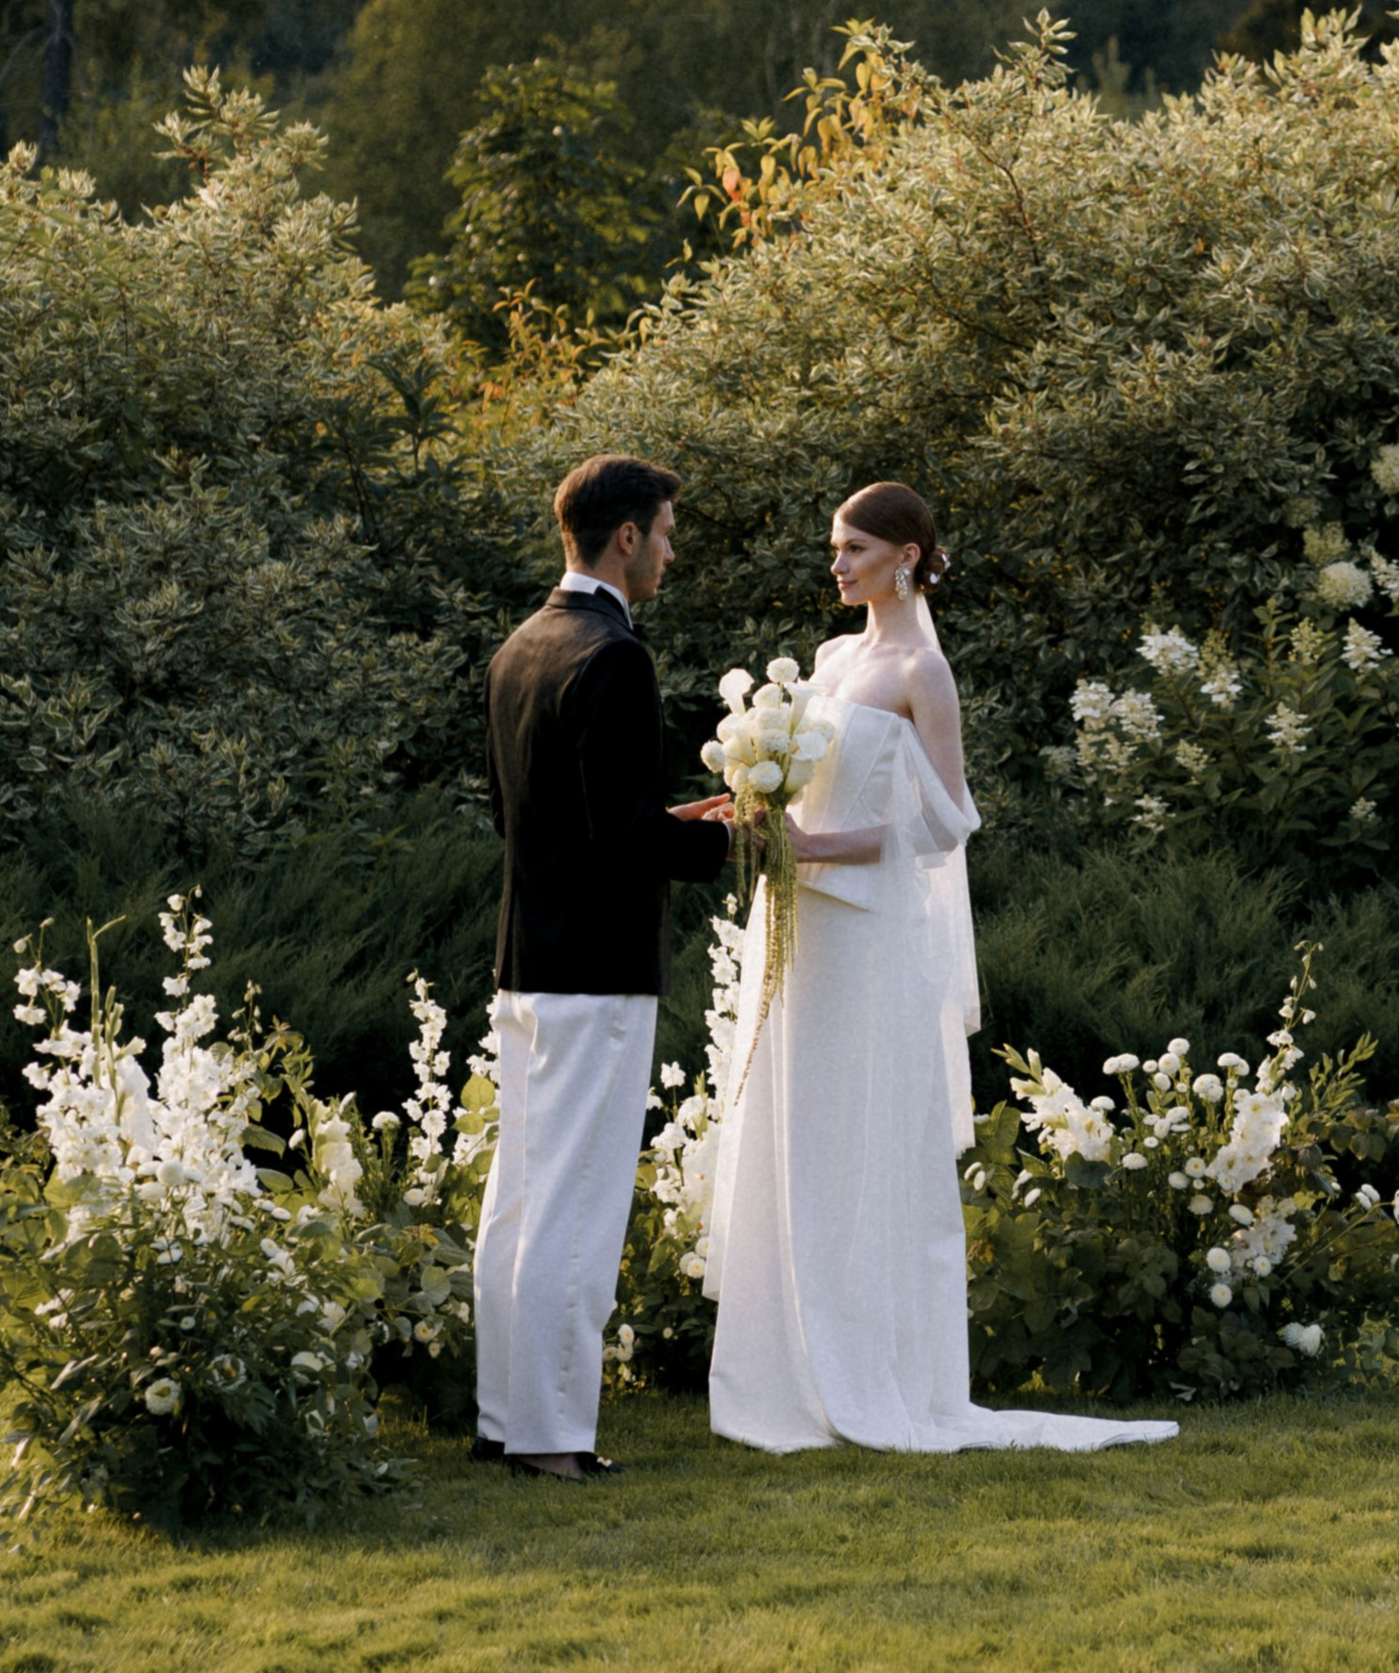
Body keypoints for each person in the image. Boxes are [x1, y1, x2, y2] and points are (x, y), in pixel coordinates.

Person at [705, 480, 1177, 1457]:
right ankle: (788, 1361)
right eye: (835, 549)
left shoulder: (924, 669)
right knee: (797, 1123)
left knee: (860, 1131)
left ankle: (871, 1365)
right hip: (800, 924)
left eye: (853, 549)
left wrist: (816, 849)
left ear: (905, 557)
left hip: (869, 935)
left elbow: (948, 820)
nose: (836, 565)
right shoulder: (834, 658)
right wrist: (755, 808)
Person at [476, 453, 733, 1483]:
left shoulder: (521, 645)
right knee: (576, 1210)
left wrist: (673, 822)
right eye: (666, 533)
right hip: (596, 973)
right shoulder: (616, 657)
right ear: (625, 536)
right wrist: (732, 841)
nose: (669, 553)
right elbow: (622, 837)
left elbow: (531, 819)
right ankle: (551, 1438)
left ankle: (504, 1417)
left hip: (525, 961)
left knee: (518, 1200)